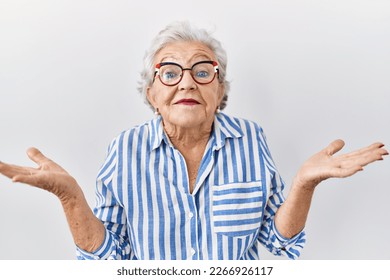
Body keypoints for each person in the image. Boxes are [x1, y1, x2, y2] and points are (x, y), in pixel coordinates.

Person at [0, 21, 388, 260]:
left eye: (203, 71)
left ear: (220, 91)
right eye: (170, 72)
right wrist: (70, 197)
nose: (186, 81)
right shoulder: (125, 149)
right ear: (151, 94)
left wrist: (304, 182)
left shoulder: (251, 139)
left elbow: (279, 243)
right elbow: (109, 258)